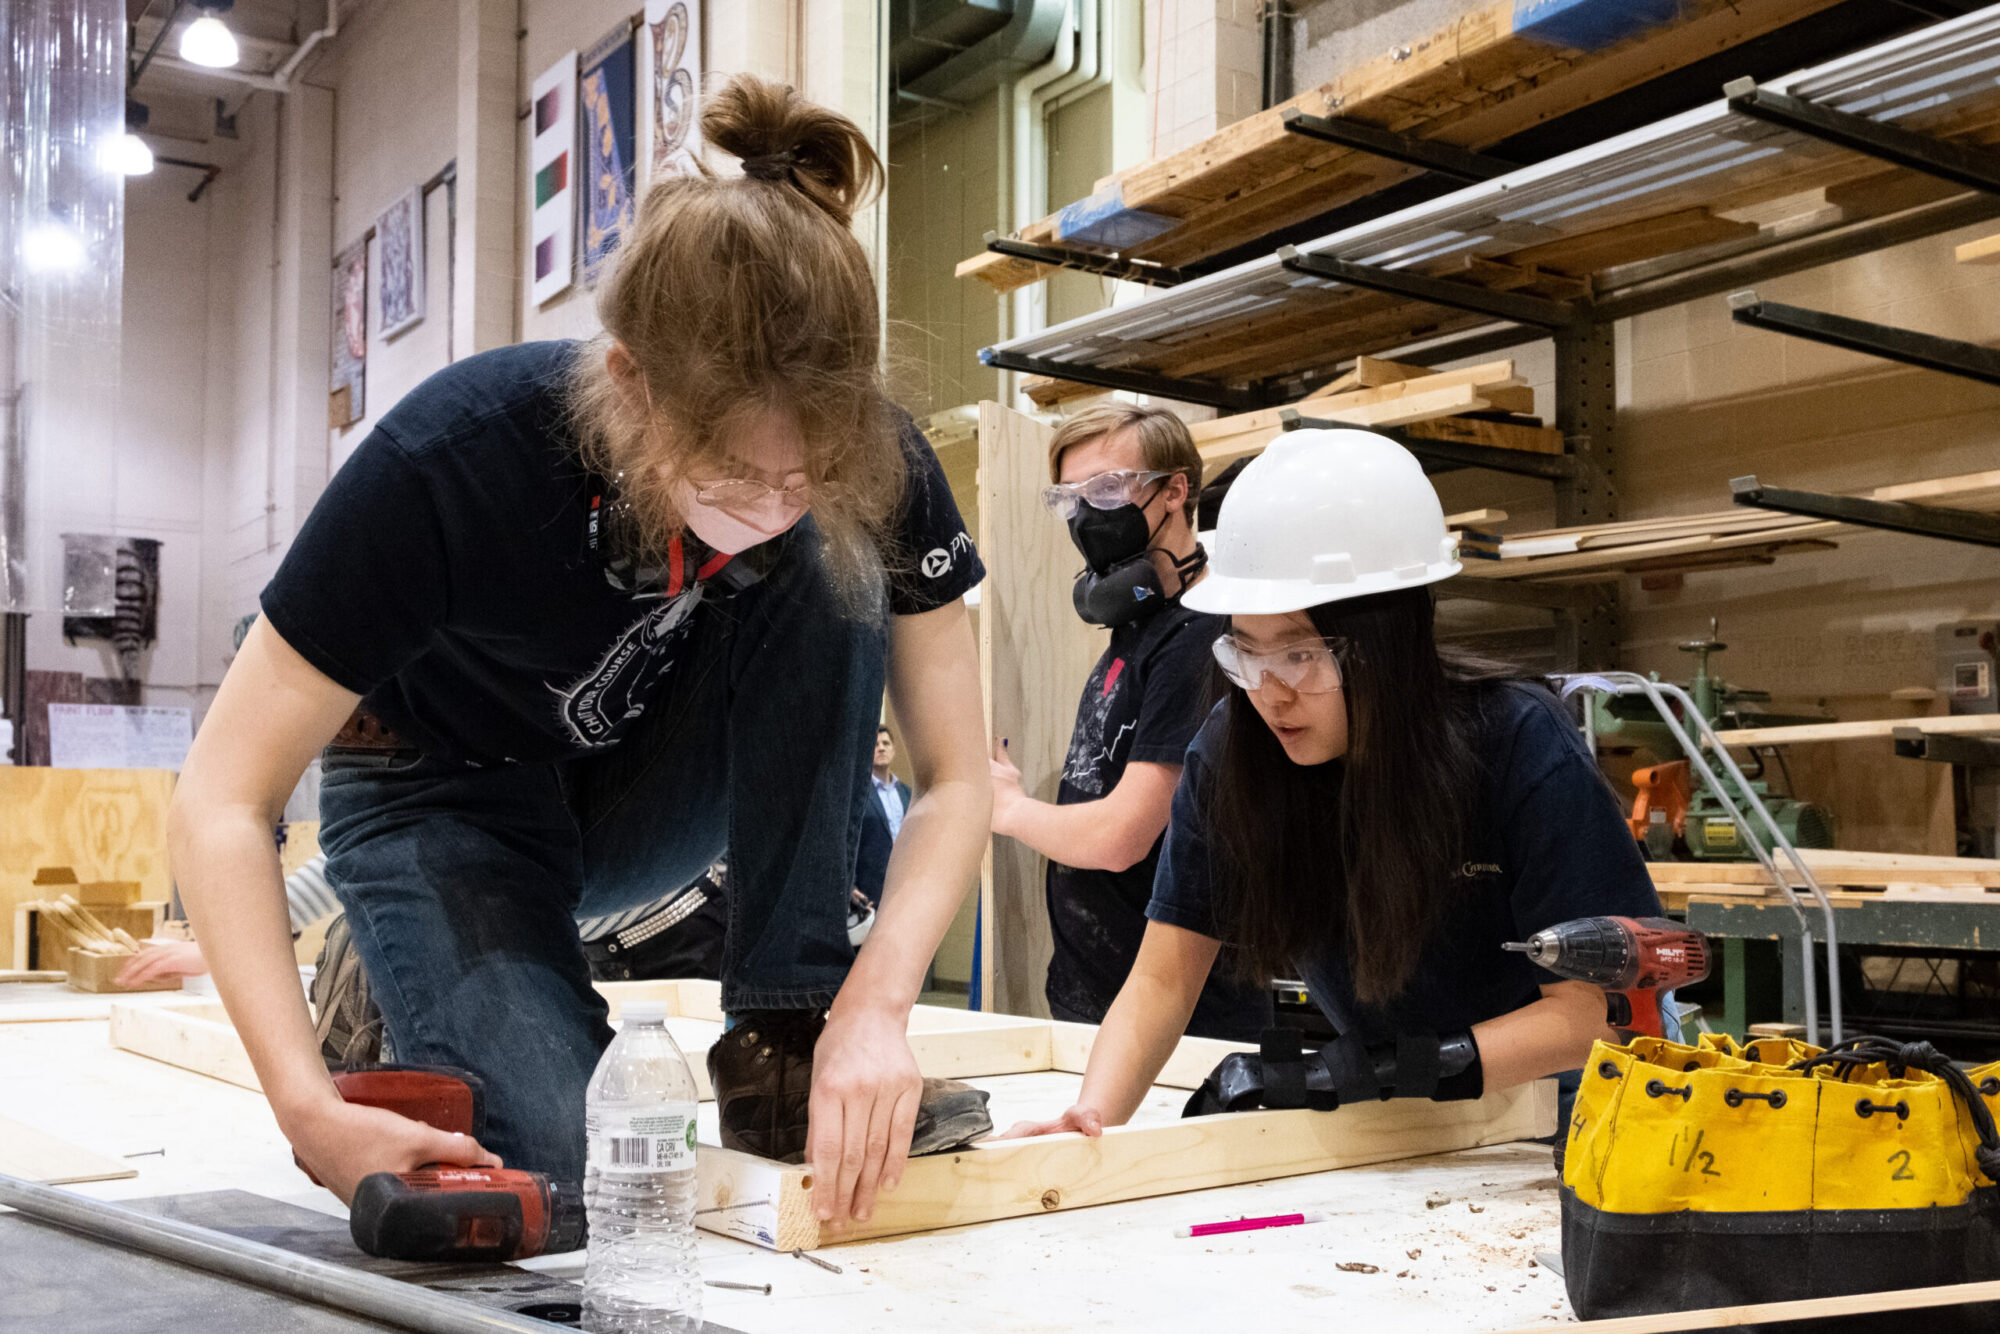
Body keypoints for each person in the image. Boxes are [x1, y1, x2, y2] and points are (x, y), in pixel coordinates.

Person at [168, 77, 992, 1228]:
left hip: (639, 768)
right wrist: (307, 1106)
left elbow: (956, 778)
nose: (770, 500)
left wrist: (871, 1006)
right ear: (628, 386)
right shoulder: (449, 461)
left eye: (800, 469)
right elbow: (219, 794)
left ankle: (784, 1035)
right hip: (440, 789)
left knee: (835, 549)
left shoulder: (860, 458)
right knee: (579, 1167)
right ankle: (385, 962)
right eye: (734, 473)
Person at [1003, 427, 1663, 1139]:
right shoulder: (1231, 756)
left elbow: (1596, 1012)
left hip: (1576, 1116)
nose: (1270, 693)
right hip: (1408, 1118)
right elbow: (1163, 979)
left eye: (1300, 655)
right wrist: (1090, 1115)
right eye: (1246, 653)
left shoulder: (1517, 744)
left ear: (1391, 643)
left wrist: (1369, 1072)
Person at [990, 405, 1271, 1040]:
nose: (1087, 514)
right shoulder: (1139, 633)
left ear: (1176, 489)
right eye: (1069, 498)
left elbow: (1124, 836)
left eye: (1108, 488)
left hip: (1184, 1026)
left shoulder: (1201, 637)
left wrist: (1006, 809)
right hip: (1104, 1014)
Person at [855, 725, 910, 904]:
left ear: (893, 750)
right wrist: (850, 886)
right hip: (870, 891)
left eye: (886, 743)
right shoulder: (858, 795)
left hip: (906, 886)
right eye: (875, 744)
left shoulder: (908, 794)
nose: (881, 747)